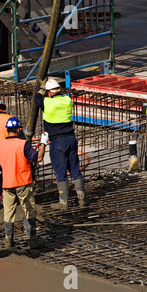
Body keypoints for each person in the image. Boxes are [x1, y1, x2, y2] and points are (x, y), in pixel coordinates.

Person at [34, 78, 89, 210]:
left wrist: (41, 89)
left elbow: (36, 99)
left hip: (57, 141)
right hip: (71, 138)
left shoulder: (47, 102)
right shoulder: (68, 100)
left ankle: (63, 203)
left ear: (49, 92)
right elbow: (58, 96)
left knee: (60, 171)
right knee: (75, 169)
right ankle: (82, 199)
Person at [0, 117, 48, 249]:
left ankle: (8, 240)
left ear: (7, 130)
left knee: (8, 212)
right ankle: (32, 240)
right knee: (29, 210)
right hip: (23, 183)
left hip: (6, 184)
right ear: (18, 129)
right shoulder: (23, 144)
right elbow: (39, 158)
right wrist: (43, 143)